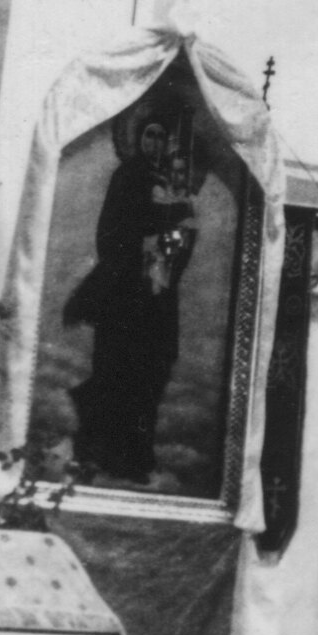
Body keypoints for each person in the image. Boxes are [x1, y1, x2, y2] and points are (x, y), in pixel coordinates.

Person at [63, 103, 204, 485]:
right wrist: (148, 236)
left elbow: (184, 237)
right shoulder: (127, 176)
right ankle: (96, 451)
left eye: (160, 137)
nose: (154, 143)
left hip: (157, 296)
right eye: (148, 135)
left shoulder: (173, 183)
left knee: (148, 377)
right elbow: (110, 232)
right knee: (115, 371)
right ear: (138, 139)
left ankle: (135, 458)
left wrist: (173, 246)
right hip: (124, 294)